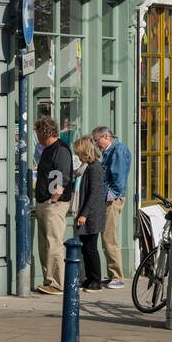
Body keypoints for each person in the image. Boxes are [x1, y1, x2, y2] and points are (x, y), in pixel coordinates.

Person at [33, 116, 73, 294]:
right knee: (44, 245)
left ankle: (57, 283)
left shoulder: (60, 150)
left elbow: (63, 176)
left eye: (37, 132)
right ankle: (48, 280)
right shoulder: (48, 149)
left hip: (53, 204)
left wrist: (53, 199)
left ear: (44, 132)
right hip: (44, 202)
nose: (37, 136)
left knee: (53, 243)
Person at [92, 125, 131, 289]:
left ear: (106, 136)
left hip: (112, 200)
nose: (96, 145)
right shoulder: (111, 151)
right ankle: (112, 275)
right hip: (109, 198)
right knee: (107, 237)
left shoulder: (118, 151)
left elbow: (119, 178)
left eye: (97, 140)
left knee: (109, 238)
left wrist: (110, 197)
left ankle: (117, 277)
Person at [73, 137, 106, 292]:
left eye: (78, 151)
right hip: (87, 213)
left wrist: (84, 214)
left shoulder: (94, 168)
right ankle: (89, 278)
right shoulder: (86, 167)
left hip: (92, 214)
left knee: (91, 248)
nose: (76, 155)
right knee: (86, 248)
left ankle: (96, 280)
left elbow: (95, 194)